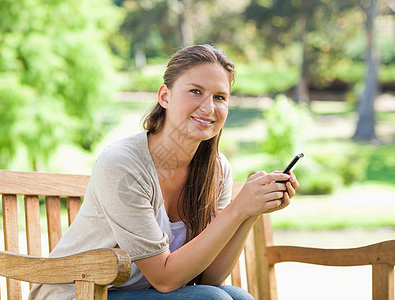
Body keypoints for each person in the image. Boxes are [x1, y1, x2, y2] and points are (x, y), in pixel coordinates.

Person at [29, 44, 299, 300]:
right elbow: (165, 278)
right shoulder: (123, 164)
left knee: (236, 296)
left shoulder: (216, 169)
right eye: (195, 91)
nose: (209, 107)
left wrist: (249, 214)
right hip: (80, 293)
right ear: (165, 96)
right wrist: (237, 209)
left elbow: (208, 279)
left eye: (220, 97)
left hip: (136, 293)